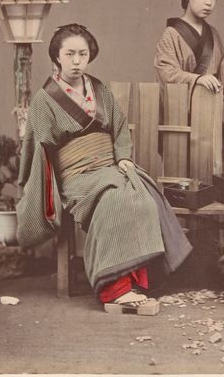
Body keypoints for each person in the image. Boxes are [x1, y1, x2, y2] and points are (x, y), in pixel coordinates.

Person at [16, 23, 192, 310]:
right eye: (69, 54)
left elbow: (119, 128)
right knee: (115, 200)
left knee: (141, 196)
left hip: (110, 166)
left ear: (90, 55)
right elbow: (41, 150)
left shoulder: (99, 89)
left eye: (83, 54)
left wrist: (123, 157)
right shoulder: (44, 100)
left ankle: (137, 282)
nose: (76, 61)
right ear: (57, 56)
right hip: (76, 175)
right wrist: (42, 189)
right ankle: (115, 288)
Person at [154, 0, 224, 159]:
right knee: (181, 168)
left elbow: (221, 67)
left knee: (212, 168)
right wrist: (197, 79)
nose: (209, 2)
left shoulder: (213, 34)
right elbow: (166, 72)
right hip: (181, 116)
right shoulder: (171, 34)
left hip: (210, 117)